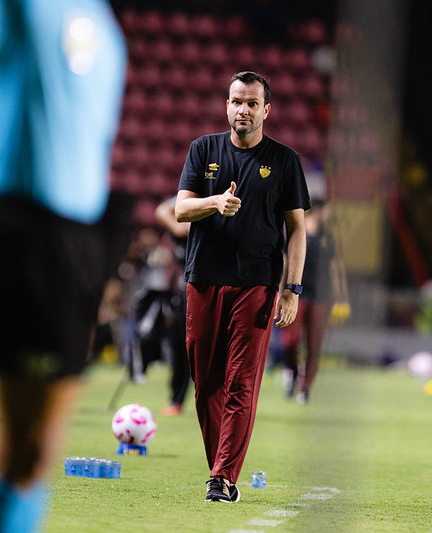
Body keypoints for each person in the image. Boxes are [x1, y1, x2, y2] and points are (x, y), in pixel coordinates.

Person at [0, 1, 127, 532]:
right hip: (29, 230)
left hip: (79, 238)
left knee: (36, 456)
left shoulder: (101, 21)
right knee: (21, 452)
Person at [175, 71, 310, 503]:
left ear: (266, 110)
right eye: (237, 101)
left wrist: (291, 287)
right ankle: (221, 466)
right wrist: (214, 202)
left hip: (256, 284)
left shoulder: (285, 160)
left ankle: (223, 477)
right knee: (206, 382)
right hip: (204, 279)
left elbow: (297, 230)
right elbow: (180, 211)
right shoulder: (203, 149)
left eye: (252, 103)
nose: (243, 110)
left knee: (241, 382)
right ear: (226, 105)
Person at [281, 198, 349, 404]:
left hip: (321, 298)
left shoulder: (328, 238)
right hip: (297, 294)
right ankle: (292, 372)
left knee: (314, 344)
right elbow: (285, 262)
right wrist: (281, 290)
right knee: (290, 341)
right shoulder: (299, 232)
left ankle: (305, 386)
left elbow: (335, 267)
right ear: (318, 211)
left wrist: (342, 297)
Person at [154, 196, 192, 416]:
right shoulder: (188, 199)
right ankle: (176, 399)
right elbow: (161, 210)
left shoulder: (218, 199)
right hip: (181, 285)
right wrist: (183, 227)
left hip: (208, 283)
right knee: (178, 345)